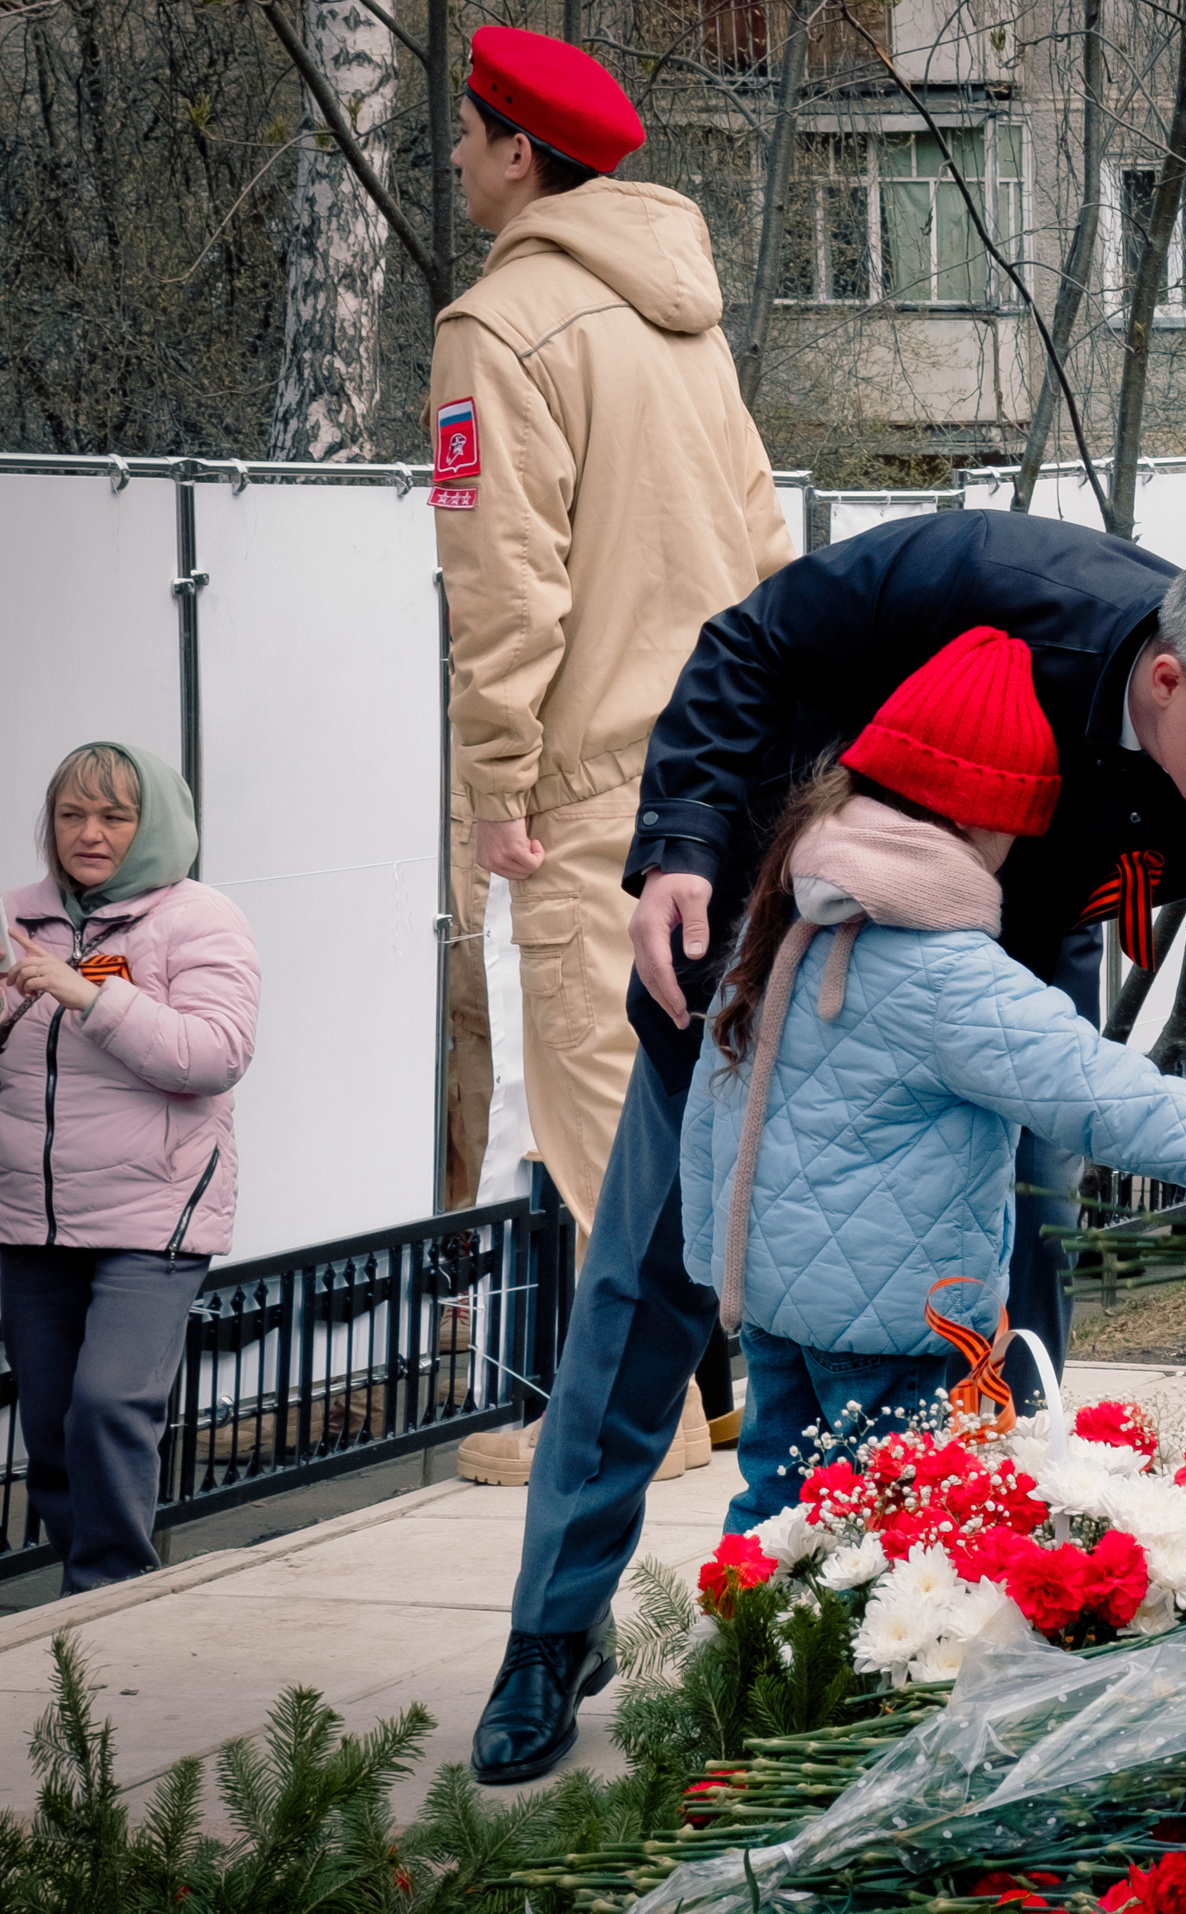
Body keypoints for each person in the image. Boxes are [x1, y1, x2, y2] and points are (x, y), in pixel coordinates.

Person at [473, 516, 1186, 1785]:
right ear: (1166, 680)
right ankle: (552, 1630)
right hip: (779, 947)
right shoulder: (989, 584)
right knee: (657, 1277)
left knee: (1006, 1305)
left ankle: (1001, 1608)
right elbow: (748, 649)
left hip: (1009, 970)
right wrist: (680, 844)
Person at [689, 630, 1186, 1526]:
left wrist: (719, 1264)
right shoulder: (946, 976)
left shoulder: (793, 920)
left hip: (775, 1311)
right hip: (900, 1328)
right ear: (980, 819)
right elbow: (1102, 1091)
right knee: (891, 1539)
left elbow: (713, 1114)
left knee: (777, 1515)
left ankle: (741, 1663)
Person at [434, 26, 795, 1486]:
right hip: (737, 761)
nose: (457, 159)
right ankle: (717, 1398)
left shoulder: (498, 324)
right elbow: (768, 534)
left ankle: (613, 1424)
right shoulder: (684, 313)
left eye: (466, 137)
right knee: (725, 1083)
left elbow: (505, 579)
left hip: (599, 784)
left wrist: (495, 787)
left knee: (605, 1112)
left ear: (521, 154)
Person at [0, 745, 259, 1592]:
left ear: (154, 825)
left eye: (114, 815)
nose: (90, 833)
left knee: (110, 1404)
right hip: (29, 1216)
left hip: (155, 1214)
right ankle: (81, 1602)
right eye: (71, 815)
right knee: (49, 1424)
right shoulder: (19, 919)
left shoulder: (199, 919)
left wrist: (89, 995)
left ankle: (111, 1594)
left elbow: (214, 1055)